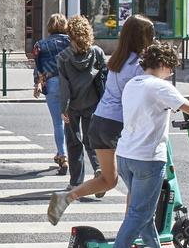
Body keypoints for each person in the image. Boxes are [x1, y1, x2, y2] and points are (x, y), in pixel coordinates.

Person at [103, 42, 189, 248]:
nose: (173, 72)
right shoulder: (160, 87)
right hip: (148, 157)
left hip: (125, 155)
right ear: (164, 65)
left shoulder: (132, 84)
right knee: (140, 213)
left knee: (142, 211)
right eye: (172, 67)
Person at [47, 15, 155, 225]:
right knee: (137, 181)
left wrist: (64, 107)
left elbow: (65, 84)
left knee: (107, 177)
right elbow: (138, 94)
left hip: (97, 117)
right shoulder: (134, 64)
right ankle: (130, 230)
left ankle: (68, 195)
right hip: (109, 117)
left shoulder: (117, 59)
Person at [56, 15, 107, 191]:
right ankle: (99, 169)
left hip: (72, 106)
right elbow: (104, 78)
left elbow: (64, 86)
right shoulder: (97, 52)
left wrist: (64, 108)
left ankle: (76, 182)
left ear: (70, 35)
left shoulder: (63, 57)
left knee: (73, 142)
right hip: (93, 104)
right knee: (91, 140)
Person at [32, 14, 71, 175]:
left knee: (57, 122)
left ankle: (62, 155)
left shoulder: (40, 44)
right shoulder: (71, 42)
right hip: (71, 84)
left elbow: (38, 67)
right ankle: (73, 154)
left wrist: (37, 84)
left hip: (52, 84)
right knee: (71, 122)